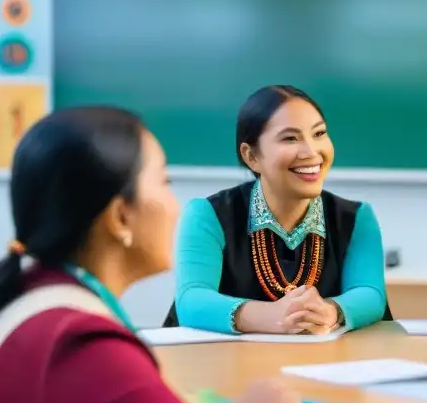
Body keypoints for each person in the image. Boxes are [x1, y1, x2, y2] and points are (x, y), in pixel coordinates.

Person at [0, 107, 306, 403]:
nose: (174, 204)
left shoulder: (33, 294)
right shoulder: (72, 342)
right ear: (120, 218)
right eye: (163, 182)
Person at [167, 85, 391, 334]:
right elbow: (191, 300)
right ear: (252, 156)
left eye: (319, 134)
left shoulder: (356, 218)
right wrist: (270, 316)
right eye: (290, 138)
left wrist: (330, 312)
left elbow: (370, 295)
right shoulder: (207, 215)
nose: (311, 152)